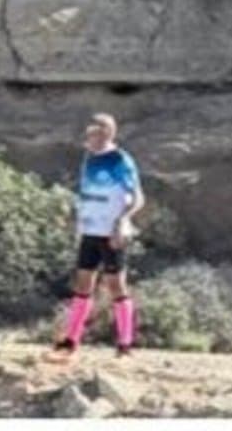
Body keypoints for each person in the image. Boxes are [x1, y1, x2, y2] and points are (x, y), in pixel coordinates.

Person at [55, 111, 144, 358]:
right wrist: (75, 216)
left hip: (111, 232)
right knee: (83, 283)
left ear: (107, 133)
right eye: (89, 132)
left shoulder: (120, 160)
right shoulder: (89, 159)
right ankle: (71, 340)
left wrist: (123, 220)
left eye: (94, 132)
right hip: (90, 230)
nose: (89, 137)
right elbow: (87, 193)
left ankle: (125, 343)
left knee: (116, 284)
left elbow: (138, 197)